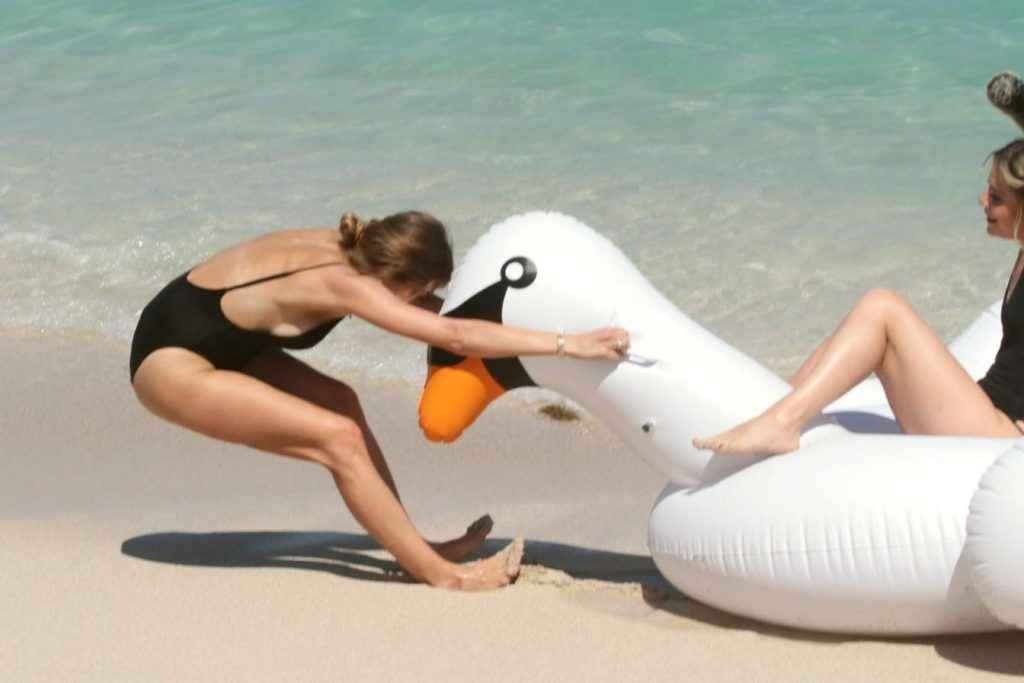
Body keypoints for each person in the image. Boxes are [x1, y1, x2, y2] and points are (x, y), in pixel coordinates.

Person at [130, 210, 630, 590]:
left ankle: (413, 547)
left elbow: (444, 316)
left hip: (215, 333)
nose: (423, 298)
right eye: (422, 291)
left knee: (340, 400)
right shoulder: (347, 284)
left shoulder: (357, 247)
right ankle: (442, 575)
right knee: (337, 438)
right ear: (404, 283)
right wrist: (570, 345)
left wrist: (541, 324)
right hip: (170, 362)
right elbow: (453, 334)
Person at [694, 139, 1024, 456]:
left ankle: (780, 422)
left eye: (996, 198)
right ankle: (772, 409)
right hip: (985, 408)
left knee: (883, 308)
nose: (983, 201)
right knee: (873, 320)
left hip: (1000, 437)